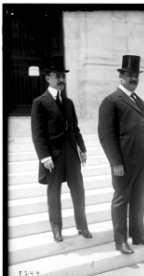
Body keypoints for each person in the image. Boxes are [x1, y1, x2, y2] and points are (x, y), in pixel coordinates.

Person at [98, 55, 144, 254]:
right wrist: (115, 162)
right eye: (129, 74)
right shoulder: (111, 101)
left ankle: (139, 235)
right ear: (121, 76)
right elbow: (106, 136)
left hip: (142, 163)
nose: (133, 78)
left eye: (136, 75)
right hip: (124, 163)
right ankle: (120, 240)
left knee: (140, 199)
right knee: (121, 200)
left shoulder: (139, 101)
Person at [31, 56, 92, 242]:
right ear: (47, 78)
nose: (61, 79)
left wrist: (82, 148)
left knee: (79, 191)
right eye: (57, 76)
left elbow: (74, 128)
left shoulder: (68, 103)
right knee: (54, 193)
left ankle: (82, 226)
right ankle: (56, 230)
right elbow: (38, 134)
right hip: (53, 156)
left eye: (62, 76)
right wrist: (44, 157)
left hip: (71, 154)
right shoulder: (39, 103)